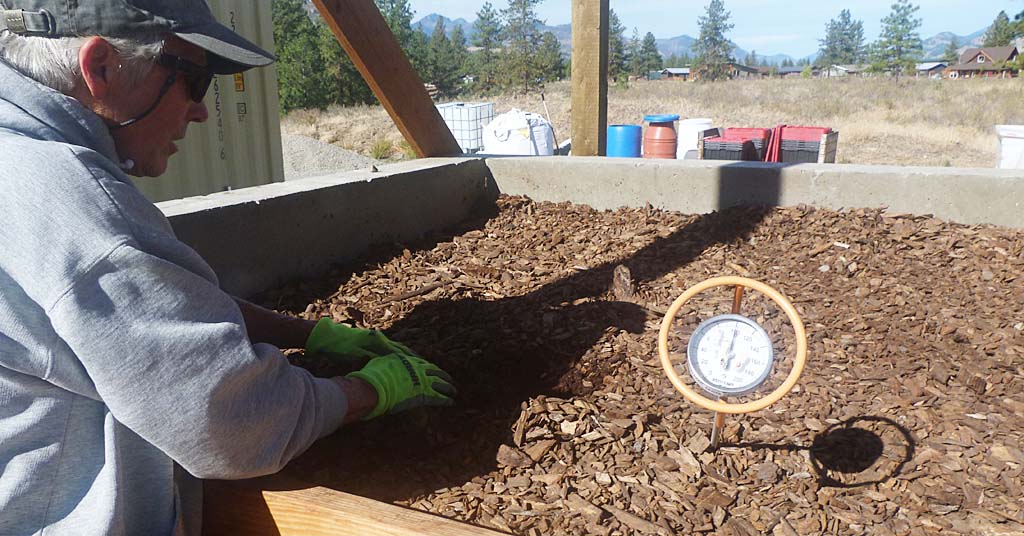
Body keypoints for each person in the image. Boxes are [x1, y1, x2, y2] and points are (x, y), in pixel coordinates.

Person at [0, 1, 455, 534]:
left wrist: (314, 334)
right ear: (100, 67)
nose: (201, 111)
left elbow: (153, 298)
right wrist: (374, 391)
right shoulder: (78, 206)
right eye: (195, 81)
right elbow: (232, 425)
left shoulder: (21, 163)